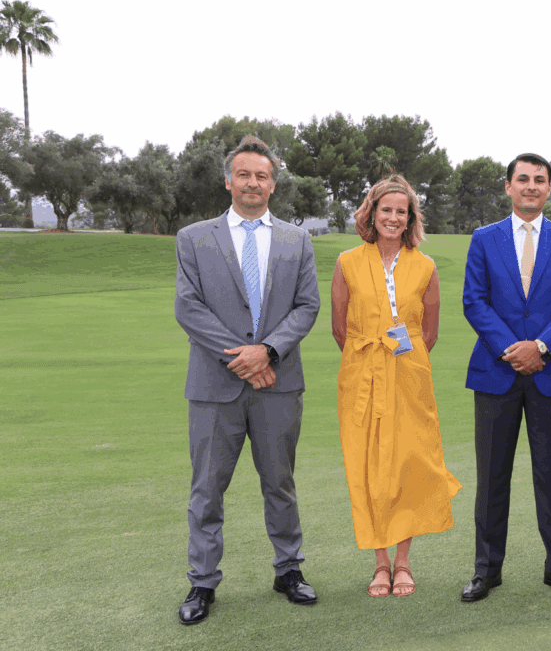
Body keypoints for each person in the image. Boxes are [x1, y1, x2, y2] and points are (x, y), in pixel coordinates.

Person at [173, 135, 320, 625]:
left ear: (272, 184)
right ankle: (202, 581)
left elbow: (307, 307)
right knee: (207, 490)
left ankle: (288, 569)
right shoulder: (194, 238)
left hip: (279, 382)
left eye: (261, 175)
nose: (252, 182)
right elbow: (188, 308)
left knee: (280, 484)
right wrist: (243, 358)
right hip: (214, 388)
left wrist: (268, 351)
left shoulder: (297, 240)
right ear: (229, 181)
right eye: (244, 174)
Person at [461, 153, 551, 602]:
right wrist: (513, 349)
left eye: (539, 179)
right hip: (495, 373)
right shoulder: (484, 238)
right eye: (523, 179)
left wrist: (541, 347)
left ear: (549, 188)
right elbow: (474, 301)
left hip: (550, 373)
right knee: (491, 477)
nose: (531, 186)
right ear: (508, 186)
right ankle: (486, 570)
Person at [331, 175, 463, 598]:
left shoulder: (425, 266)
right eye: (385, 209)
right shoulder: (347, 262)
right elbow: (340, 330)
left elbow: (429, 333)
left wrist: (400, 360)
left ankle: (403, 562)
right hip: (362, 377)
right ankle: (380, 564)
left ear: (410, 219)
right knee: (369, 468)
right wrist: (373, 361)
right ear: (372, 213)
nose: (393, 217)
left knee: (409, 465)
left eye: (401, 211)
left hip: (410, 378)